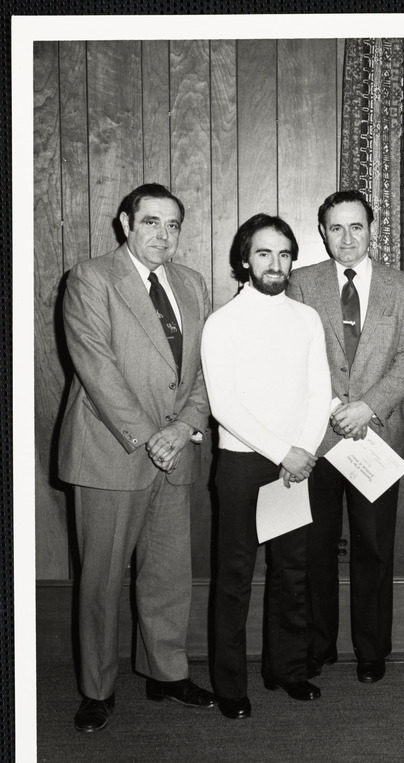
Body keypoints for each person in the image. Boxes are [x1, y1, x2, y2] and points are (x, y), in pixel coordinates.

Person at [58, 183, 215, 732]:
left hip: (176, 452)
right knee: (101, 580)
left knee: (169, 574)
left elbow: (204, 372)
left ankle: (165, 673)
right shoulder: (91, 277)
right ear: (126, 223)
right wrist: (153, 435)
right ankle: (97, 689)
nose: (163, 235)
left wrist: (186, 426)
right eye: (151, 222)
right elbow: (96, 367)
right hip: (111, 452)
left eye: (172, 225)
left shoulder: (193, 283)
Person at [286, 190, 404, 684]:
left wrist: (368, 406)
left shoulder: (402, 287)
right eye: (336, 228)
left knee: (374, 548)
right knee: (314, 548)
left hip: (376, 437)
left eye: (357, 227)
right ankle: (319, 646)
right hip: (317, 439)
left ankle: (372, 650)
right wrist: (333, 409)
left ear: (372, 228)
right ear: (322, 232)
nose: (347, 238)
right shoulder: (299, 284)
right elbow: (293, 358)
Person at [200, 214, 332, 720]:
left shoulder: (306, 318)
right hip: (243, 465)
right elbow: (224, 406)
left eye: (283, 254)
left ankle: (287, 670)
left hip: (296, 463)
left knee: (292, 571)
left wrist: (301, 451)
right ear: (243, 259)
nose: (275, 264)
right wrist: (285, 453)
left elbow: (319, 389)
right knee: (235, 576)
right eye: (263, 254)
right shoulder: (223, 322)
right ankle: (231, 685)